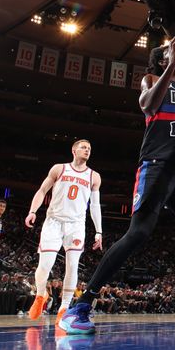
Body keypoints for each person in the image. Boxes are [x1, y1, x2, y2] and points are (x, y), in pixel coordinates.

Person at [60, 36, 175, 334]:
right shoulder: (151, 79)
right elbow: (147, 106)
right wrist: (170, 67)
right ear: (162, 60)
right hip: (157, 166)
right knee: (138, 234)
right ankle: (80, 306)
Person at [25, 139, 103, 326]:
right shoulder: (59, 168)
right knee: (45, 265)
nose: (87, 150)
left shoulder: (94, 176)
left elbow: (95, 205)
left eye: (89, 149)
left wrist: (99, 231)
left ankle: (64, 308)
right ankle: (40, 294)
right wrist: (32, 211)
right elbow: (43, 190)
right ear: (74, 150)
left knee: (73, 265)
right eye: (83, 147)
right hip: (54, 221)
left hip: (76, 225)